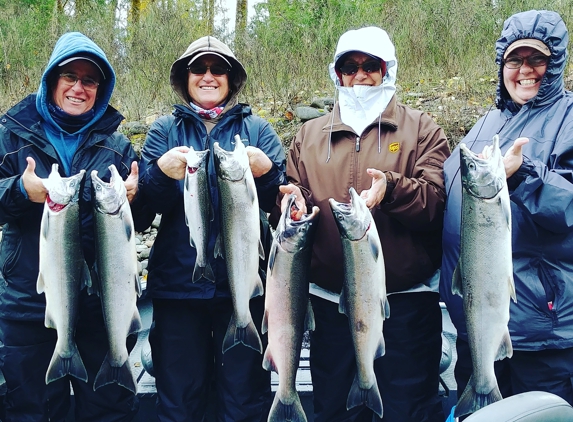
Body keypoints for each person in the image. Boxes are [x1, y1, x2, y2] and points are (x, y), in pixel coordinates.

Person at [278, 26, 450, 422]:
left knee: (408, 410)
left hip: (405, 306)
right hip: (329, 307)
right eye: (349, 67)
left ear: (387, 69)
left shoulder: (422, 129)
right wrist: (290, 204)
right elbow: (291, 197)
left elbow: (436, 206)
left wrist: (391, 189)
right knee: (335, 410)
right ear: (336, 74)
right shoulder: (308, 134)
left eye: (370, 65)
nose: (359, 75)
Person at [136, 35, 286, 421]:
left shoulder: (259, 131)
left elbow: (279, 206)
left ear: (231, 78)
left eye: (217, 68)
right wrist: (158, 175)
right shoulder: (162, 131)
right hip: (177, 290)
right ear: (185, 78)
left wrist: (268, 174)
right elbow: (144, 207)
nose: (208, 76)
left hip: (244, 288)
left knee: (243, 399)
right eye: (198, 69)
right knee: (179, 400)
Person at [0, 32, 141, 421]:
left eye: (90, 80)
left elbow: (137, 226)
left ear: (101, 88)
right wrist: (17, 190)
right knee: (34, 409)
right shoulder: (10, 133)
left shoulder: (116, 145)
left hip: (103, 308)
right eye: (70, 77)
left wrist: (133, 199)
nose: (79, 87)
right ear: (51, 79)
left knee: (109, 410)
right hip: (29, 304)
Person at [440, 9, 573, 417]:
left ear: (557, 64)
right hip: (476, 326)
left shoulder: (569, 118)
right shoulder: (487, 122)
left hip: (540, 331)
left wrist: (526, 176)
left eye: (537, 59)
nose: (525, 70)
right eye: (515, 60)